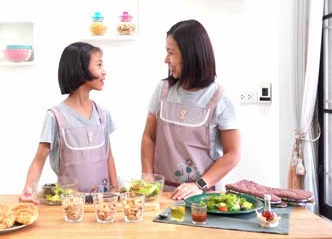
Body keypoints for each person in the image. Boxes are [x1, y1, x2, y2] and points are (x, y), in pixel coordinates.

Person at [141, 19, 241, 200]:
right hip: (163, 194)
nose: (166, 60)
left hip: (204, 196)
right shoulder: (162, 90)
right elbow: (149, 137)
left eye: (170, 53)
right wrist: (148, 177)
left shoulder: (220, 97)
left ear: (190, 55)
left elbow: (233, 153)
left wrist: (199, 185)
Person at [19, 42, 118, 204]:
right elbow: (39, 159)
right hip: (70, 205)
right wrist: (28, 190)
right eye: (99, 65)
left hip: (103, 204)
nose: (104, 72)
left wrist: (115, 188)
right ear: (80, 69)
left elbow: (108, 155)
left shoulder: (103, 114)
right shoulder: (55, 116)